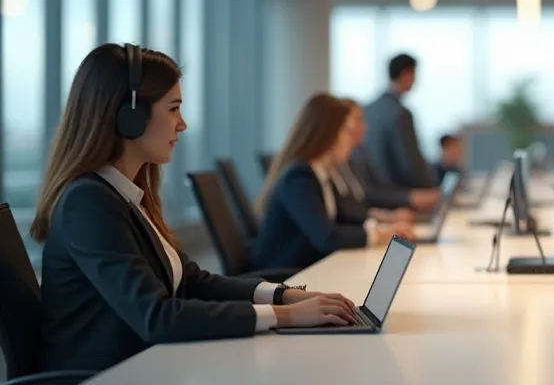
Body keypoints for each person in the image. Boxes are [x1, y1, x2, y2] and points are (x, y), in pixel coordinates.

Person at [29, 44, 357, 374]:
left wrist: (284, 296)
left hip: (147, 365)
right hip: (109, 375)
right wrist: (284, 317)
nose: (182, 124)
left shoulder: (125, 195)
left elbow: (192, 281)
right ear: (130, 117)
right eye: (173, 109)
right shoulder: (88, 202)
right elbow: (157, 316)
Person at [253, 94, 415, 270]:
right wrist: (381, 234)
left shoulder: (321, 175)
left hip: (309, 271)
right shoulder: (298, 178)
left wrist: (387, 229)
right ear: (328, 134)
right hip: (284, 276)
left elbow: (344, 219)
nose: (351, 140)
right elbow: (328, 237)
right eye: (347, 131)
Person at [361, 53, 438, 189]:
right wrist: (434, 186)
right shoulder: (400, 114)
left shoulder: (367, 109)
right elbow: (410, 165)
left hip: (370, 189)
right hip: (399, 192)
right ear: (406, 74)